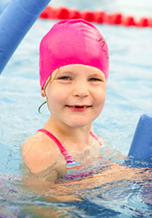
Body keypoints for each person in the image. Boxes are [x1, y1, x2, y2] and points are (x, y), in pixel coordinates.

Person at [20, 19, 110, 185]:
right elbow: (41, 207)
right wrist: (100, 182)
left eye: (94, 79)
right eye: (65, 78)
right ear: (43, 88)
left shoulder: (95, 139)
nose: (82, 91)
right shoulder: (42, 151)